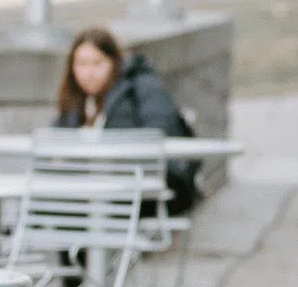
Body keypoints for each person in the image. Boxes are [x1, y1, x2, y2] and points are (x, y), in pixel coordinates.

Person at [54, 26, 200, 210]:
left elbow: (158, 130)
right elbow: (54, 141)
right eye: (81, 64)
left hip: (141, 192)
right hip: (86, 193)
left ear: (114, 62)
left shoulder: (141, 85)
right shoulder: (75, 102)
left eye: (97, 63)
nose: (88, 73)